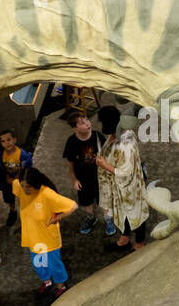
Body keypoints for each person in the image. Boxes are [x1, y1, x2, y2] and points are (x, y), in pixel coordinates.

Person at [12, 166, 76, 297]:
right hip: (33, 236)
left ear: (36, 183)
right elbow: (18, 194)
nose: (25, 190)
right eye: (23, 186)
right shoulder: (18, 185)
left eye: (28, 187)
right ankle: (47, 282)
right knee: (38, 264)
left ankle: (61, 287)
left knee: (54, 265)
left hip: (48, 238)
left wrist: (56, 218)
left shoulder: (47, 194)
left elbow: (73, 206)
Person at [95, 105, 151, 250]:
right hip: (119, 187)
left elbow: (125, 172)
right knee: (123, 212)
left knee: (135, 213)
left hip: (129, 187)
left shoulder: (125, 145)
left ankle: (139, 243)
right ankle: (125, 237)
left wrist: (103, 164)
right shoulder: (121, 132)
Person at [61, 110, 105, 234]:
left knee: (104, 199)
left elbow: (108, 153)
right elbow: (70, 162)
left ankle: (108, 219)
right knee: (87, 201)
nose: (87, 123)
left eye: (86, 120)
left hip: (100, 177)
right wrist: (75, 179)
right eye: (81, 123)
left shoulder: (97, 136)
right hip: (83, 178)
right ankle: (91, 218)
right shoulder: (71, 142)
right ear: (75, 128)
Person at [0, 129, 33, 223]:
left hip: (21, 183)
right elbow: (0, 170)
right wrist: (1, 183)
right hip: (8, 183)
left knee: (25, 198)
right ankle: (12, 211)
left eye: (9, 140)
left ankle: (28, 212)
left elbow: (28, 168)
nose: (6, 143)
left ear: (14, 140)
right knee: (9, 199)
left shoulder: (22, 155)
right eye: (3, 141)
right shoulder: (0, 155)